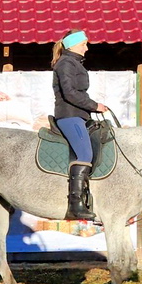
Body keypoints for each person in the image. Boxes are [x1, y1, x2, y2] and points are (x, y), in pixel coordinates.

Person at [52, 29, 108, 220]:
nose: (87, 47)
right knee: (84, 154)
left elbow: (79, 93)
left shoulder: (73, 63)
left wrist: (92, 108)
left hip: (79, 115)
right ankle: (75, 205)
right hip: (69, 116)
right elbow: (70, 93)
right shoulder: (66, 63)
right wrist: (95, 106)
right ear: (74, 45)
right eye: (84, 43)